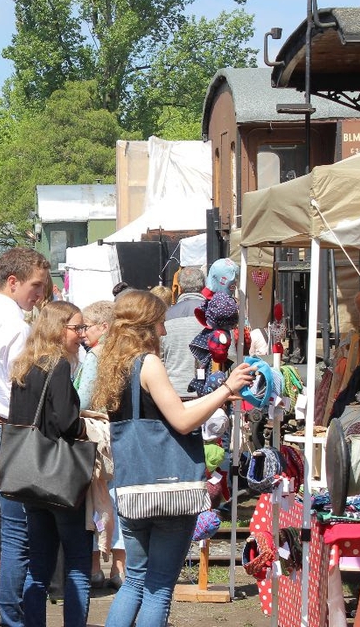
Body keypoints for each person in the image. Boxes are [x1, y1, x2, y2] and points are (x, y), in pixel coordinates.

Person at [92, 290, 253, 627]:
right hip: (170, 491)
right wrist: (225, 390)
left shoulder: (115, 365)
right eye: (160, 323)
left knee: (135, 581)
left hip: (134, 489)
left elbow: (170, 412)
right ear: (146, 325)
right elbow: (181, 421)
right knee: (159, 587)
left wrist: (217, 396)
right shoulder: (148, 363)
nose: (164, 331)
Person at [0, 246, 51, 626]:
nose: (39, 294)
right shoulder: (16, 326)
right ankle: (11, 620)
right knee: (16, 535)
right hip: (8, 429)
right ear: (13, 282)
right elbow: (23, 387)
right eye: (36, 286)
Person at [7, 301, 93, 627]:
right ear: (58, 329)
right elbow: (67, 422)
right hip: (60, 477)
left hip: (29, 475)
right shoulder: (57, 366)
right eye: (76, 327)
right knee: (78, 563)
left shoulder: (24, 365)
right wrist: (89, 426)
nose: (81, 334)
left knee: (38, 566)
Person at [72, 299, 123, 589]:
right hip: (120, 434)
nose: (82, 332)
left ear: (104, 327)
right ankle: (119, 567)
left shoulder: (95, 356)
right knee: (117, 500)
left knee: (96, 500)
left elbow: (83, 399)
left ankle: (94, 567)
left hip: (97, 435)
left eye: (87, 326)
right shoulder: (124, 353)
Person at [163, 267, 207, 399]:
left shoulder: (165, 316)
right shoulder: (215, 313)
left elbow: (158, 357)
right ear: (203, 286)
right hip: (211, 392)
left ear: (180, 287)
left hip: (173, 391)